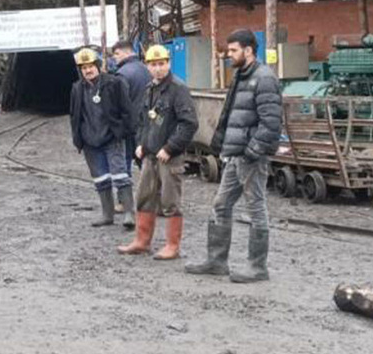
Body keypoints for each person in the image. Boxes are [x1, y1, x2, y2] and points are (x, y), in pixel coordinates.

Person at [186, 29, 282, 283]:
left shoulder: (264, 79)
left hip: (251, 157)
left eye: (233, 50)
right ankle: (217, 261)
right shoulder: (241, 75)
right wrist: (221, 143)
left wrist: (253, 151)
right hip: (236, 154)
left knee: (256, 208)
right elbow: (231, 114)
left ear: (249, 50)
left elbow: (271, 123)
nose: (229, 55)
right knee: (221, 204)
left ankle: (257, 267)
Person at [119, 44, 198, 259]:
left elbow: (189, 123)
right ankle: (142, 241)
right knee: (144, 196)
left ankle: (172, 246)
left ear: (168, 63)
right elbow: (144, 120)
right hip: (150, 154)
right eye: (153, 65)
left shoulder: (178, 89)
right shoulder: (149, 89)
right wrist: (141, 143)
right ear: (147, 66)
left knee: (170, 200)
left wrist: (170, 147)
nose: (157, 69)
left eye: (161, 64)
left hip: (169, 156)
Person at [69, 47, 135, 228]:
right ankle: (108, 215)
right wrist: (78, 138)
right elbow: (74, 115)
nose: (87, 70)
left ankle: (129, 213)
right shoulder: (77, 89)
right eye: (84, 68)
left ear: (98, 66)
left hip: (112, 138)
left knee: (120, 175)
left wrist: (123, 133)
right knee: (100, 179)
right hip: (90, 141)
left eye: (90, 66)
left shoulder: (113, 83)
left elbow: (127, 111)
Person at [112, 40, 152, 175]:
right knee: (147, 164)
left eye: (117, 54)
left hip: (130, 127)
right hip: (148, 123)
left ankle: (127, 195)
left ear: (127, 52)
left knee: (125, 165)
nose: (114, 57)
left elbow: (118, 104)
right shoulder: (146, 68)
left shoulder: (122, 74)